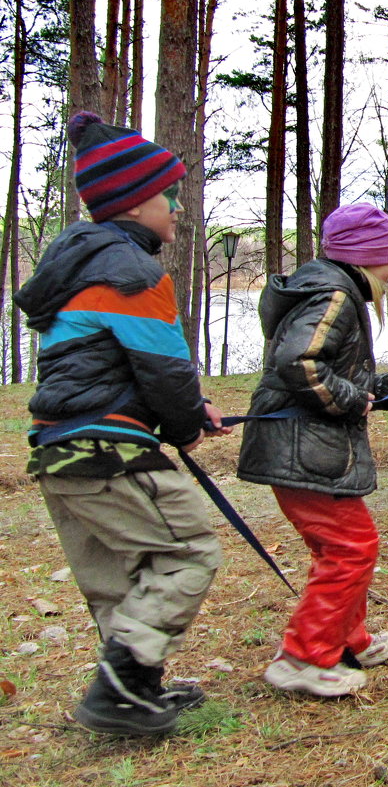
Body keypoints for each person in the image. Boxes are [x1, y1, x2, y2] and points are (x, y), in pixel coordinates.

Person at [14, 112, 231, 736]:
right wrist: (187, 422)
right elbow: (164, 371)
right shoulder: (135, 274)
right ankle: (123, 686)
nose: (177, 210)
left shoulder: (77, 269)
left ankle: (134, 693)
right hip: (107, 450)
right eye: (169, 197)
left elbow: (105, 366)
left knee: (117, 579)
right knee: (189, 550)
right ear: (136, 204)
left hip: (58, 449)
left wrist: (188, 406)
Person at [237, 203, 388, 697]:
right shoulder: (335, 294)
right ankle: (303, 657)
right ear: (363, 258)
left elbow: (335, 375)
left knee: (343, 546)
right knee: (350, 548)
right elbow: (298, 363)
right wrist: (349, 398)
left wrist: (386, 388)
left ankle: (348, 639)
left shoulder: (328, 290)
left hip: (306, 446)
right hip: (303, 447)